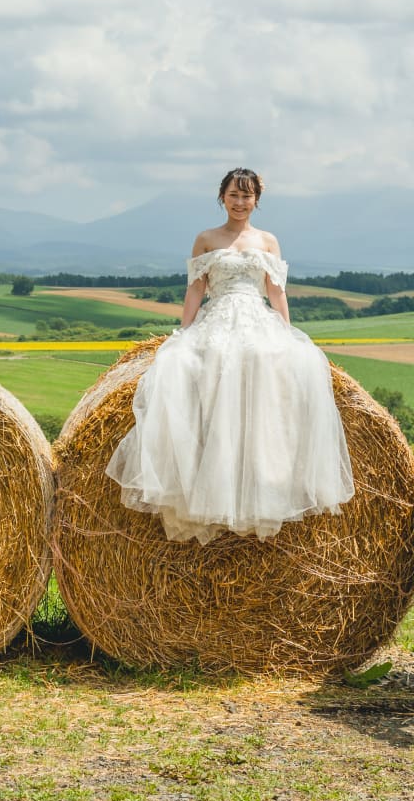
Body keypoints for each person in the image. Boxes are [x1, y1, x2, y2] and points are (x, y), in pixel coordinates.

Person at [105, 168, 354, 544]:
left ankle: (263, 481)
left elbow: (276, 292)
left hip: (256, 315)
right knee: (199, 361)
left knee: (264, 361)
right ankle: (208, 482)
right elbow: (195, 290)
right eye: (234, 195)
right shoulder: (206, 239)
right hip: (218, 314)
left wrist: (289, 335)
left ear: (257, 199)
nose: (240, 202)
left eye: (247, 195)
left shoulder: (269, 241)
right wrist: (183, 332)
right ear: (222, 197)